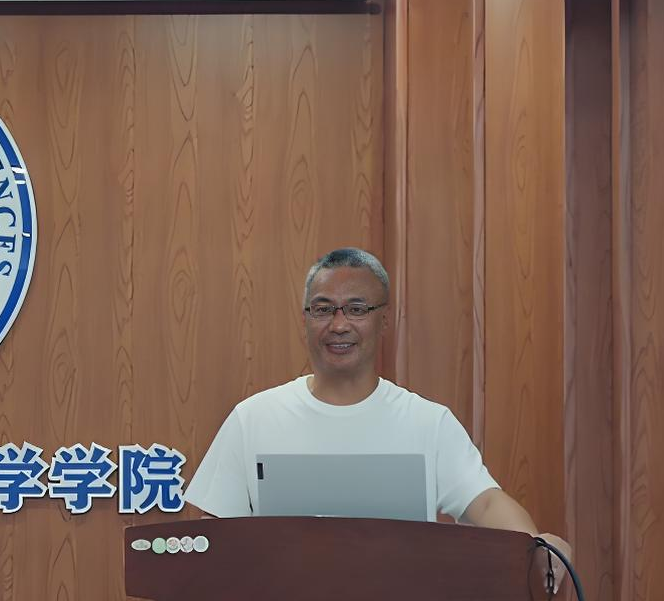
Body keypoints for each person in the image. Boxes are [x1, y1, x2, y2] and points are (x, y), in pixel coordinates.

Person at [183, 247, 574, 591]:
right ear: (305, 319)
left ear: (384, 320)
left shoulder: (427, 422)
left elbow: (486, 502)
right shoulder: (253, 418)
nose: (338, 324)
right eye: (323, 309)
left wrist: (538, 544)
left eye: (356, 309)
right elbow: (213, 540)